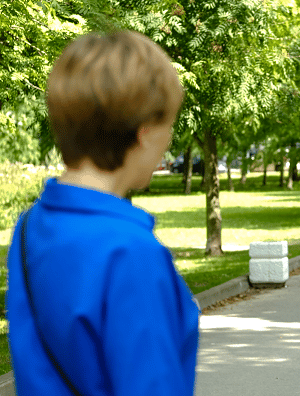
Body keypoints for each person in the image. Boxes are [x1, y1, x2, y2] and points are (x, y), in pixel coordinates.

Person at [6, 31, 200, 395]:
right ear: (144, 133)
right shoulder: (131, 251)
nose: (168, 144)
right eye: (168, 127)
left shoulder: (31, 228)